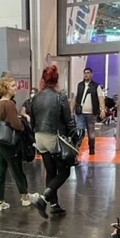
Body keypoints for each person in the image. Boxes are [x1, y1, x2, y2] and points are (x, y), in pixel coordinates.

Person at [29, 65, 79, 218]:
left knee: (50, 171)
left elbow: (33, 119)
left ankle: (55, 205)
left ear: (43, 80)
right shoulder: (60, 96)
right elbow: (68, 121)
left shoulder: (35, 97)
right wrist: (75, 138)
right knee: (64, 172)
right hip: (54, 137)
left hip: (39, 137)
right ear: (57, 80)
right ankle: (43, 199)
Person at [0, 77, 36, 212]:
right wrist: (23, 125)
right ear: (5, 89)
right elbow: (15, 125)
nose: (15, 87)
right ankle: (25, 197)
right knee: (17, 170)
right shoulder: (9, 104)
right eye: (12, 85)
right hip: (9, 143)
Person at [72, 68, 106, 156]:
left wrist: (102, 110)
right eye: (85, 73)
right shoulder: (79, 85)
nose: (86, 74)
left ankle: (91, 149)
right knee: (80, 130)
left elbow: (100, 98)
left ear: (91, 74)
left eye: (88, 73)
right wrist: (71, 110)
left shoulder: (96, 86)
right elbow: (75, 98)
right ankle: (76, 147)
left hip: (91, 113)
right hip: (80, 112)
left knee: (91, 132)